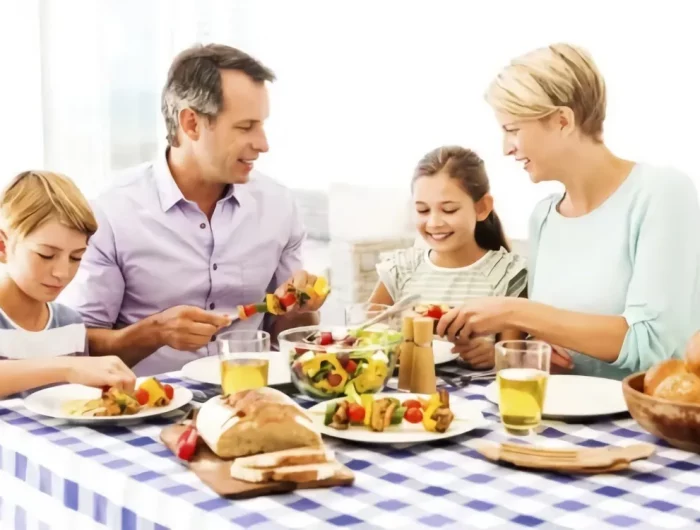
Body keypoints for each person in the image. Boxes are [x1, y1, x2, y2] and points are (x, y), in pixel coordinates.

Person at [437, 43, 700, 379]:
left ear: (562, 121)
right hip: (563, 416)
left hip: (639, 423)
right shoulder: (545, 217)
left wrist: (514, 311)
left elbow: (651, 345)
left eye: (512, 129)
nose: (506, 148)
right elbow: (560, 336)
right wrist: (537, 351)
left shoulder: (661, 193)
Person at [60, 44, 325, 376]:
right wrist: (155, 332)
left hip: (253, 395)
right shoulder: (112, 212)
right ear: (191, 123)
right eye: (246, 127)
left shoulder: (278, 206)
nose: (263, 143)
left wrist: (301, 307)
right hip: (150, 404)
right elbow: (81, 347)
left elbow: (289, 333)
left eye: (262, 125)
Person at [369, 146, 526, 369]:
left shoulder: (507, 274)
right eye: (423, 210)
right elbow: (364, 338)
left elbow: (515, 358)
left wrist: (494, 356)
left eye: (449, 210)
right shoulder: (400, 269)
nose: (433, 223)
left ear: (482, 208)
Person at [0, 171, 135, 399]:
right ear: (3, 247)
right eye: (46, 254)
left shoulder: (69, 324)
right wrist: (67, 367)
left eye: (76, 257)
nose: (62, 273)